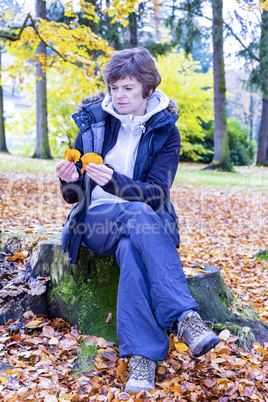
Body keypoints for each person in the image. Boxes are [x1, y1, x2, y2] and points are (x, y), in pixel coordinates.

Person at [56, 47, 220, 394]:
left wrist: (114, 180)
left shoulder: (165, 133)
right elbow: (73, 199)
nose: (119, 96)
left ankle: (143, 359)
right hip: (95, 223)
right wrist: (68, 180)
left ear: (147, 88)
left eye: (128, 88)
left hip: (141, 225)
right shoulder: (93, 122)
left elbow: (157, 194)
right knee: (136, 215)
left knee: (132, 250)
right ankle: (185, 318)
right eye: (114, 88)